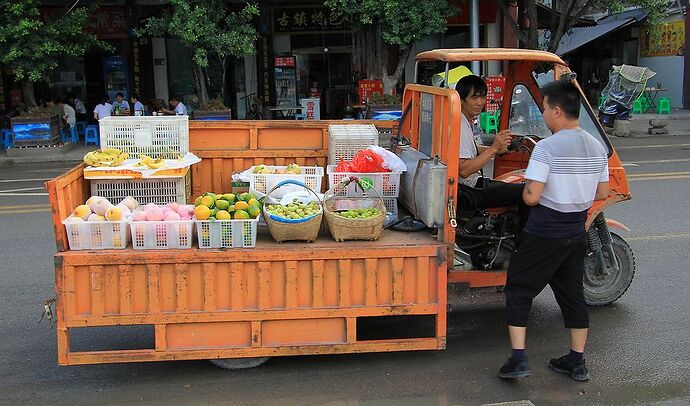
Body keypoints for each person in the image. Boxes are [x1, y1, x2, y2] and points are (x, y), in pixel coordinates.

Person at [498, 79, 609, 381]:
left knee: (519, 290)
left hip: (544, 232)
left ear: (557, 111)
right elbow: (602, 192)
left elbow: (532, 196)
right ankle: (576, 361)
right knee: (573, 296)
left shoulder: (546, 148)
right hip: (576, 233)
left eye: (545, 109)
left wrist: (527, 190)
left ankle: (518, 360)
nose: (544, 114)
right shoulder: (597, 145)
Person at [455, 75, 525, 215]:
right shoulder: (460, 126)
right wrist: (493, 149)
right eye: (474, 98)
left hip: (471, 185)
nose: (480, 103)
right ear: (461, 101)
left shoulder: (466, 121)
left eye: (482, 97)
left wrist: (497, 149)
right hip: (470, 189)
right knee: (527, 192)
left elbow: (472, 149)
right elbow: (464, 170)